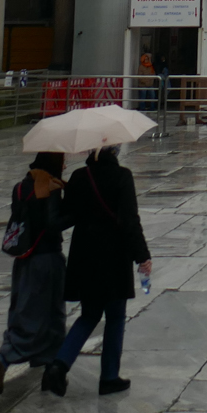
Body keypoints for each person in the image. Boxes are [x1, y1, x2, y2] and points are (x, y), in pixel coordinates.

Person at [43, 146, 150, 398]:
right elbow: (129, 220)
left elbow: (67, 215)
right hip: (114, 257)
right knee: (115, 317)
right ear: (115, 149)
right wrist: (142, 255)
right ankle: (109, 377)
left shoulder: (80, 176)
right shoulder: (122, 176)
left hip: (85, 254)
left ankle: (58, 366)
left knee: (89, 315)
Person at [0, 152, 68, 392]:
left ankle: (11, 359)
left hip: (24, 258)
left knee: (22, 309)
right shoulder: (51, 187)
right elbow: (52, 224)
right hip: (47, 259)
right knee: (52, 314)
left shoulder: (21, 187)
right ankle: (27, 363)